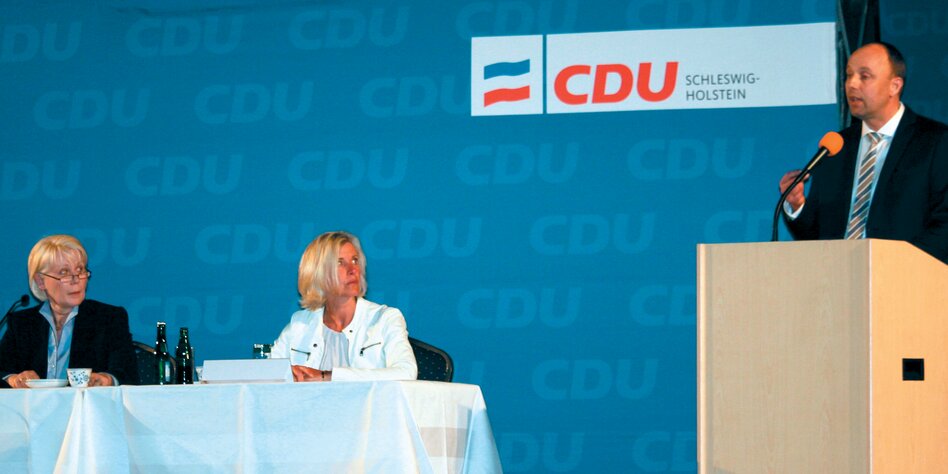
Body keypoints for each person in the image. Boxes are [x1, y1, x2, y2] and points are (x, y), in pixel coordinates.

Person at [779, 42, 948, 263]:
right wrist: (797, 205)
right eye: (849, 75)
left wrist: (896, 264)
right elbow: (817, 236)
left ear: (894, 86)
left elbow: (944, 225)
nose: (852, 84)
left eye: (864, 76)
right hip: (837, 276)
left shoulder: (936, 142)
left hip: (906, 276)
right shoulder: (836, 146)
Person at [271, 231, 417, 382]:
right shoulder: (299, 324)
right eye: (340, 263)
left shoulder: (385, 318)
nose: (353, 270)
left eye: (355, 260)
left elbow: (406, 372)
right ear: (318, 272)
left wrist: (327, 376)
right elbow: (266, 375)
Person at [0, 235, 139, 388]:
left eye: (80, 270)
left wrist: (106, 379)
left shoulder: (109, 318)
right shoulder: (22, 323)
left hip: (85, 403)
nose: (76, 279)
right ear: (41, 281)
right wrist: (13, 379)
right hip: (34, 404)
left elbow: (128, 374)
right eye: (64, 272)